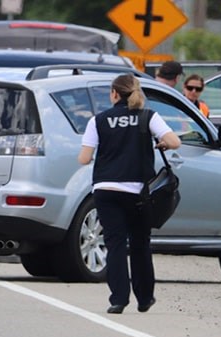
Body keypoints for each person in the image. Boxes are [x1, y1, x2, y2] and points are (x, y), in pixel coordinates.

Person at [77, 74, 181, 314]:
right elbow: (174, 142)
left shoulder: (99, 120)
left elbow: (84, 158)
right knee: (139, 243)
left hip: (105, 190)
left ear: (114, 94)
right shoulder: (148, 117)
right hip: (137, 193)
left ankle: (118, 299)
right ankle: (144, 298)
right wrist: (161, 143)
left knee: (114, 244)